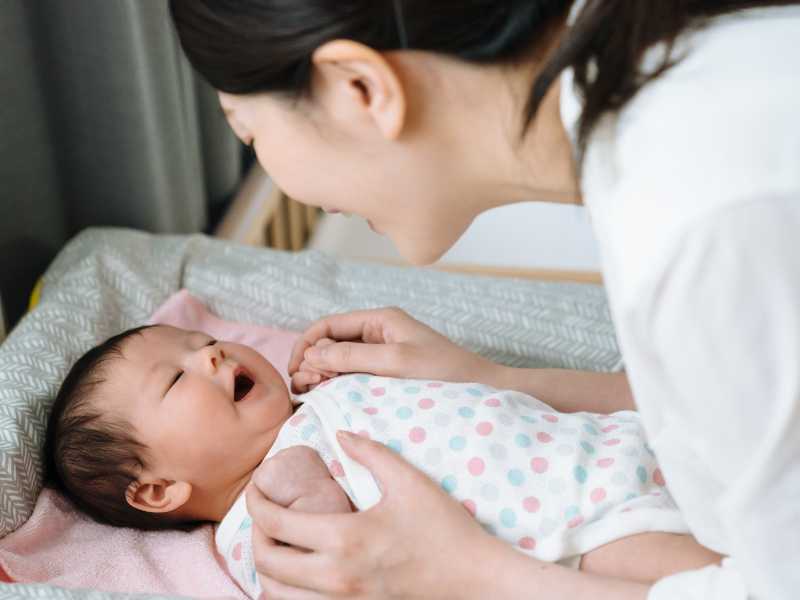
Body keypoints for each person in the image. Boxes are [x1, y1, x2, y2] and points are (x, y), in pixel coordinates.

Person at [168, 1, 800, 598]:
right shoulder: (667, 107)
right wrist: (491, 379)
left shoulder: (697, 222)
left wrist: (469, 572)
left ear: (360, 88)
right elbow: (725, 396)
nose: (279, 178)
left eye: (251, 136)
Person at [43, 324, 721, 599]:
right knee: (726, 574)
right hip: (578, 538)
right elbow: (327, 582)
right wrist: (304, 491)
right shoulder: (258, 525)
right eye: (176, 380)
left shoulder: (323, 399)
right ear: (159, 490)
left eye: (206, 341)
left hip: (607, 441)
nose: (212, 355)